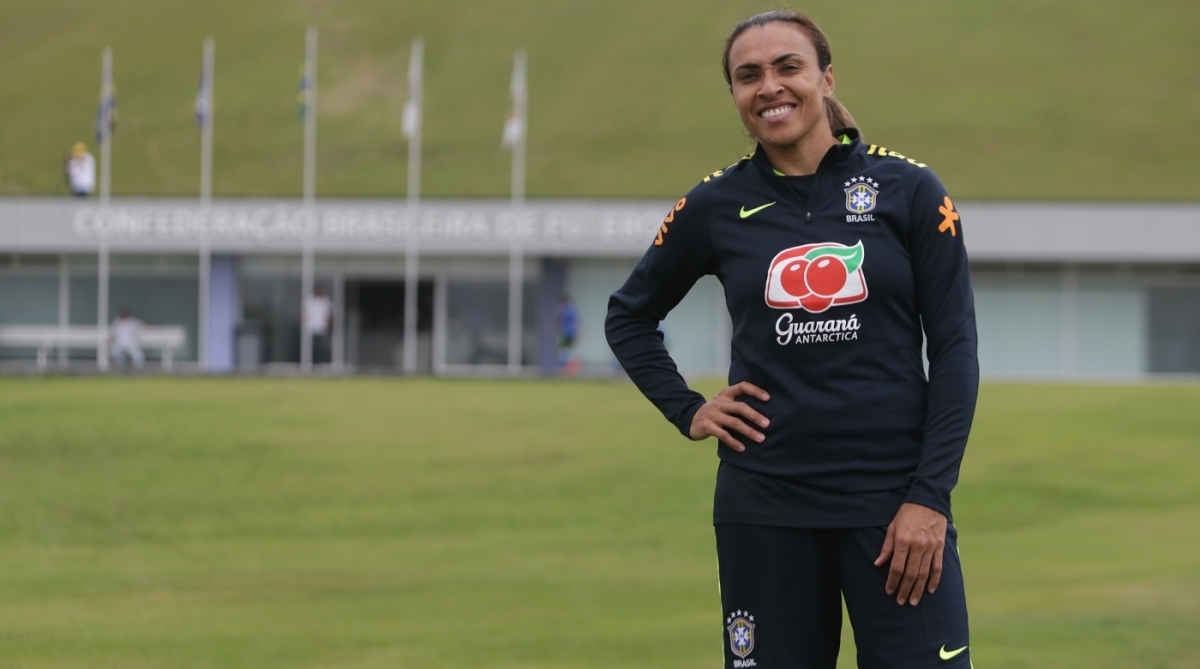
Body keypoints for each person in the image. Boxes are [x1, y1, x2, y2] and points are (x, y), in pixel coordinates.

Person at [605, 10, 979, 669]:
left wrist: (929, 497)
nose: (769, 87)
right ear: (734, 95)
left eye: (788, 67)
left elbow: (954, 351)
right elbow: (628, 316)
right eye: (748, 76)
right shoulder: (715, 204)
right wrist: (688, 409)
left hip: (894, 506)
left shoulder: (911, 190)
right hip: (765, 505)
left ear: (826, 78)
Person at [303, 286, 334, 364]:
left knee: (322, 347)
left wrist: (329, 321)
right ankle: (310, 362)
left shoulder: (326, 301)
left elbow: (332, 312)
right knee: (311, 347)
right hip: (311, 328)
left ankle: (321, 362)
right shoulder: (309, 300)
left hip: (322, 328)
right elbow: (302, 311)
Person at [554, 294, 581, 376]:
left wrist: (552, 329)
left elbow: (559, 320)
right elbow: (576, 321)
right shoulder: (573, 308)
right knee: (568, 349)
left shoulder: (562, 309)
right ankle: (570, 368)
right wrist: (578, 332)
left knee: (562, 350)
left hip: (565, 332)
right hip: (572, 332)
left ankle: (570, 367)